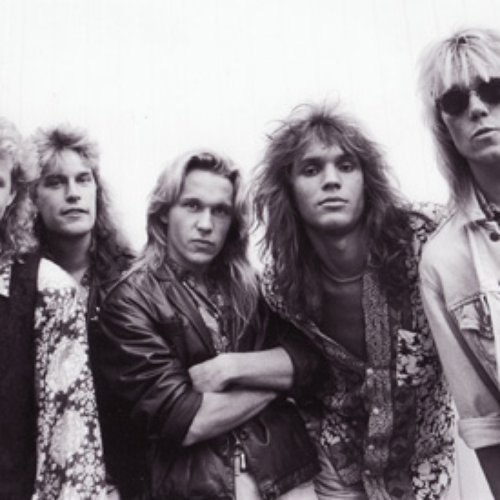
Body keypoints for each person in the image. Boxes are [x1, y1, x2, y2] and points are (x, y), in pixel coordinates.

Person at [251, 104, 455, 499]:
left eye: (346, 166)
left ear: (367, 180)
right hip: (340, 460)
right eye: (311, 169)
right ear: (288, 189)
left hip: (423, 467)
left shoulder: (425, 239)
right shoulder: (281, 285)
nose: (331, 180)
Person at [98, 150, 320, 499]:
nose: (206, 224)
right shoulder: (130, 300)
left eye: (220, 211)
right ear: (163, 212)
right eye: (192, 206)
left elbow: (309, 363)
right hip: (196, 488)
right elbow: (186, 420)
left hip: (287, 476)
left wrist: (230, 368)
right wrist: (275, 384)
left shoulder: (253, 287)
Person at [0, 118, 107, 498]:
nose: (73, 194)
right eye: (57, 182)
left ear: (13, 194)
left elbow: (71, 449)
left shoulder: (49, 289)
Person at [29, 124, 135, 496]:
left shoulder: (131, 277)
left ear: (97, 190)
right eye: (56, 182)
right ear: (32, 197)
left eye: (83, 179)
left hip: (127, 470)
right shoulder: (22, 284)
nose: (73, 193)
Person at [418, 27, 500, 498]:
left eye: (493, 90)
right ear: (443, 124)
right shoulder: (443, 260)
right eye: (455, 100)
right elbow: (483, 418)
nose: (477, 108)